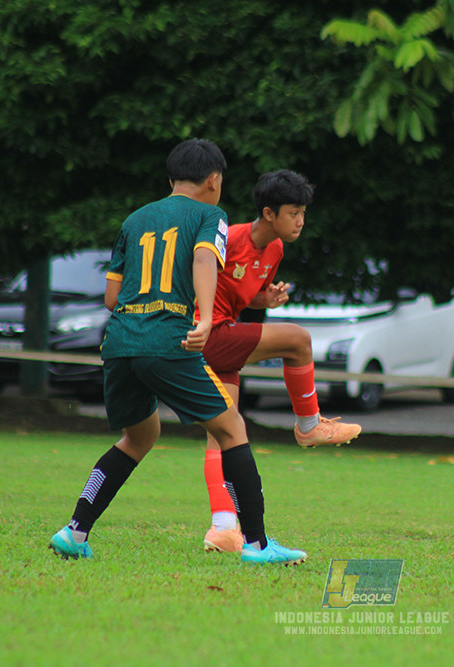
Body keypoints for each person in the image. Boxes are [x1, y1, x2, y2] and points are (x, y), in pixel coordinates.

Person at [48, 138, 305, 565]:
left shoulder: (134, 220)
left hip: (120, 342)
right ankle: (258, 545)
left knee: (139, 436)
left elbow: (112, 297)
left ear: (171, 179)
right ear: (213, 180)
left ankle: (75, 531)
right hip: (168, 339)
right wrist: (204, 317)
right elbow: (205, 261)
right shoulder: (211, 215)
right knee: (231, 429)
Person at [196, 170, 361, 553]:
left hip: (221, 336)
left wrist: (264, 300)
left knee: (224, 433)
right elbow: (200, 277)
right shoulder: (229, 238)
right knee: (298, 340)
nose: (301, 221)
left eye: (304, 212)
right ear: (269, 213)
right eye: (294, 212)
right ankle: (308, 425)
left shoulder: (275, 251)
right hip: (205, 334)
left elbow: (243, 292)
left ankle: (222, 528)